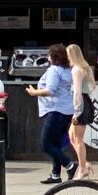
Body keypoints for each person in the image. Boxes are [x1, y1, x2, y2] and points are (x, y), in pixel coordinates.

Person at [24, 43, 75, 184]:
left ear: (53, 57)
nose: (47, 57)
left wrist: (34, 92)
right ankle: (55, 174)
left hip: (56, 110)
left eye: (49, 55)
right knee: (55, 143)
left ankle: (70, 165)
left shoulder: (54, 70)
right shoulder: (67, 70)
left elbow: (50, 90)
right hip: (67, 110)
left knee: (45, 144)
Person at [66, 43, 98, 180]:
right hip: (86, 102)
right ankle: (84, 162)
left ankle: (83, 168)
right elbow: (92, 87)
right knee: (72, 135)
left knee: (77, 138)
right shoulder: (85, 68)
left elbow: (77, 91)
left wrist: (77, 111)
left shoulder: (76, 70)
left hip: (81, 104)